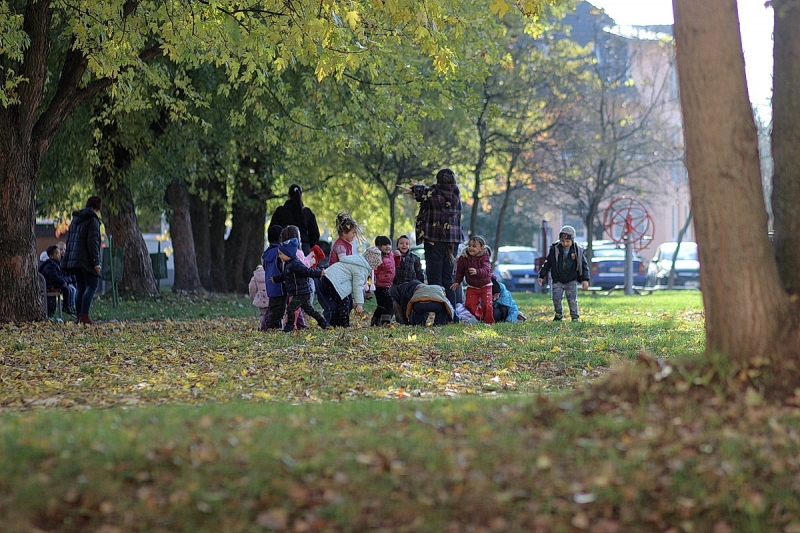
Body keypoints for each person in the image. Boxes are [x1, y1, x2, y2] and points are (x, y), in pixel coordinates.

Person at [398, 168, 462, 310]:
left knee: (435, 281)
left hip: (434, 240)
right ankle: (451, 314)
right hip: (453, 241)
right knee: (448, 279)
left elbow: (422, 192)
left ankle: (440, 315)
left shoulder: (433, 193)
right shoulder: (456, 193)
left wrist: (413, 189)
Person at [271, 238, 329, 332]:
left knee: (291, 308)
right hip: (300, 292)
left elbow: (307, 271)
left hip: (301, 293)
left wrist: (318, 273)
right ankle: (323, 323)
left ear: (288, 254)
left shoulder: (296, 264)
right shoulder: (288, 264)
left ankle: (289, 327)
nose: (279, 256)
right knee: (309, 310)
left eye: (281, 254)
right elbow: (285, 275)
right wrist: (276, 279)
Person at [318, 246, 383, 328]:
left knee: (341, 302)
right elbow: (357, 286)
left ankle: (334, 324)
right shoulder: (361, 269)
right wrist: (359, 304)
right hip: (333, 281)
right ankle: (343, 324)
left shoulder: (357, 261)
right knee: (344, 302)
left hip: (327, 278)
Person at [62, 195, 103, 325]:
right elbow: (93, 242)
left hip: (75, 259)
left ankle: (79, 316)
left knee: (80, 287)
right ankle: (84, 315)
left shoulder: (76, 219)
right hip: (86, 259)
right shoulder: (93, 220)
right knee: (92, 285)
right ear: (97, 207)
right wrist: (96, 262)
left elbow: (70, 240)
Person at [318, 211, 364, 323]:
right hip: (333, 279)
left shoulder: (347, 244)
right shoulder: (340, 246)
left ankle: (342, 322)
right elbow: (344, 261)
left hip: (340, 279)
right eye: (353, 233)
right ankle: (339, 323)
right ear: (344, 232)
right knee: (343, 301)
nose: (354, 235)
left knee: (346, 301)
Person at [537, 225, 590, 321]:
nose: (565, 243)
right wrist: (542, 275)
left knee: (572, 300)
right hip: (558, 279)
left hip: (571, 279)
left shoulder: (578, 251)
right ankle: (558, 314)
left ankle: (574, 317)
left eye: (567, 241)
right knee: (556, 299)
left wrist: (585, 279)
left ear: (572, 240)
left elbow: (584, 266)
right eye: (562, 241)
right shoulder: (555, 249)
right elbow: (548, 263)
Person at [451, 235, 494, 324]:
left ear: (481, 248)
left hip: (485, 285)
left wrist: (477, 271)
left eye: (474, 246)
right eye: (469, 245)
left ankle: (489, 322)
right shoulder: (464, 257)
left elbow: (486, 270)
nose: (471, 248)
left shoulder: (484, 257)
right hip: (472, 286)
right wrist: (457, 281)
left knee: (486, 305)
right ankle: (480, 317)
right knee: (468, 304)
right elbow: (460, 271)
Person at [268, 184, 320, 256]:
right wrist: (307, 244)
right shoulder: (307, 213)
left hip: (283, 250)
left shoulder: (280, 211)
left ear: (288, 195)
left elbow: (272, 231)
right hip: (303, 250)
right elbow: (315, 235)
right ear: (301, 195)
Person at [391, 280, 455, 326]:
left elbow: (409, 308)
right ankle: (439, 323)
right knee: (442, 308)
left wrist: (409, 322)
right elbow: (448, 304)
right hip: (436, 305)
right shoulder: (440, 289)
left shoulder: (407, 291)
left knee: (418, 310)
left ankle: (420, 324)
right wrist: (454, 318)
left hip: (418, 305)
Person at [38, 245, 77, 316]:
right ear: (51, 256)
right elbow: (54, 276)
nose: (59, 255)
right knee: (66, 289)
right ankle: (66, 306)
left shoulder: (57, 264)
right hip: (50, 285)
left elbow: (61, 275)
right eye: (57, 254)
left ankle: (69, 306)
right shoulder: (50, 265)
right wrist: (62, 281)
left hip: (54, 283)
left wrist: (65, 281)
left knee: (69, 289)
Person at [261, 225, 286, 330]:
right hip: (279, 286)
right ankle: (271, 327)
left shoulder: (266, 253)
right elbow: (282, 268)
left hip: (270, 285)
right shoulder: (279, 253)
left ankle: (272, 326)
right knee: (278, 310)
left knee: (273, 308)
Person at [370, 236, 396, 326]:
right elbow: (374, 272)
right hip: (380, 285)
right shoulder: (378, 258)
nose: (388, 247)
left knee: (381, 305)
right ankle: (385, 322)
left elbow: (394, 264)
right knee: (389, 304)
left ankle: (375, 321)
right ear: (378, 246)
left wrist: (398, 257)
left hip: (388, 284)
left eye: (389, 244)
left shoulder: (391, 255)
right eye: (385, 245)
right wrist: (370, 285)